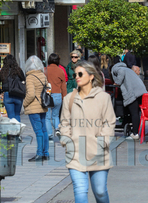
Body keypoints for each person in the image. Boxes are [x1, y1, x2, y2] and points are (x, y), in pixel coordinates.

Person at [59, 61, 116, 203]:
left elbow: (109, 123)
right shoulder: (69, 99)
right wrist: (67, 141)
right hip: (76, 153)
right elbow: (64, 123)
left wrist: (102, 142)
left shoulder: (104, 98)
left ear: (91, 76)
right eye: (75, 74)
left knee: (100, 192)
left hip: (98, 151)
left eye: (80, 74)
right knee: (80, 189)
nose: (76, 77)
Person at [110, 62, 147, 140]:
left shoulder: (118, 69)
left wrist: (117, 82)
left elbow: (119, 79)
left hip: (133, 92)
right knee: (135, 112)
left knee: (134, 113)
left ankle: (135, 133)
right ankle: (134, 131)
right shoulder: (127, 69)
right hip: (140, 91)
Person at [23, 55, 49, 162]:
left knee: (38, 131)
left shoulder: (30, 77)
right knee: (44, 130)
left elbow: (31, 94)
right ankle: (45, 153)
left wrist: (24, 104)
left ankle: (39, 154)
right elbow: (47, 88)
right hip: (42, 106)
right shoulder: (43, 75)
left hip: (33, 107)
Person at [45, 53, 67, 140]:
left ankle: (50, 134)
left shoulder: (45, 70)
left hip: (47, 95)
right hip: (58, 95)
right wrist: (64, 97)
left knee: (47, 117)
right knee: (55, 115)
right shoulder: (60, 70)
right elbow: (63, 86)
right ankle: (57, 129)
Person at [0, 54, 25, 122]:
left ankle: (13, 131)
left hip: (7, 94)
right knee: (17, 115)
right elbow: (24, 80)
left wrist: (1, 91)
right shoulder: (18, 70)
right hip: (18, 94)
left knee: (11, 115)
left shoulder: (3, 72)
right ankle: (18, 131)